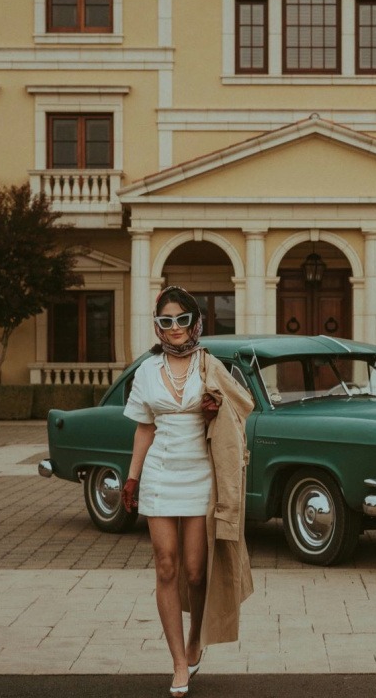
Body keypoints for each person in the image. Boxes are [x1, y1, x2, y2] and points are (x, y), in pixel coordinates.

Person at [121, 285, 254, 696]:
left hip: (201, 476)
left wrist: (218, 411)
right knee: (166, 566)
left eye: (182, 319)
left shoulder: (210, 366)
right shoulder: (146, 371)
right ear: (158, 326)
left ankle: (196, 635)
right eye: (166, 321)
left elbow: (241, 408)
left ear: (195, 323)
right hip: (161, 474)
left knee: (197, 572)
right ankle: (179, 663)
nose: (174, 327)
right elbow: (145, 428)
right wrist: (132, 478)